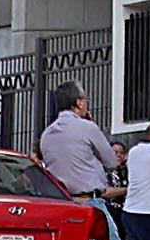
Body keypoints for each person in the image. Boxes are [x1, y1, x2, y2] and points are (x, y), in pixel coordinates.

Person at [37, 81, 117, 209]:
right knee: (110, 230)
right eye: (86, 99)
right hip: (89, 201)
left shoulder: (47, 134)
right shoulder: (88, 127)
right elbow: (111, 162)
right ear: (79, 102)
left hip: (62, 202)